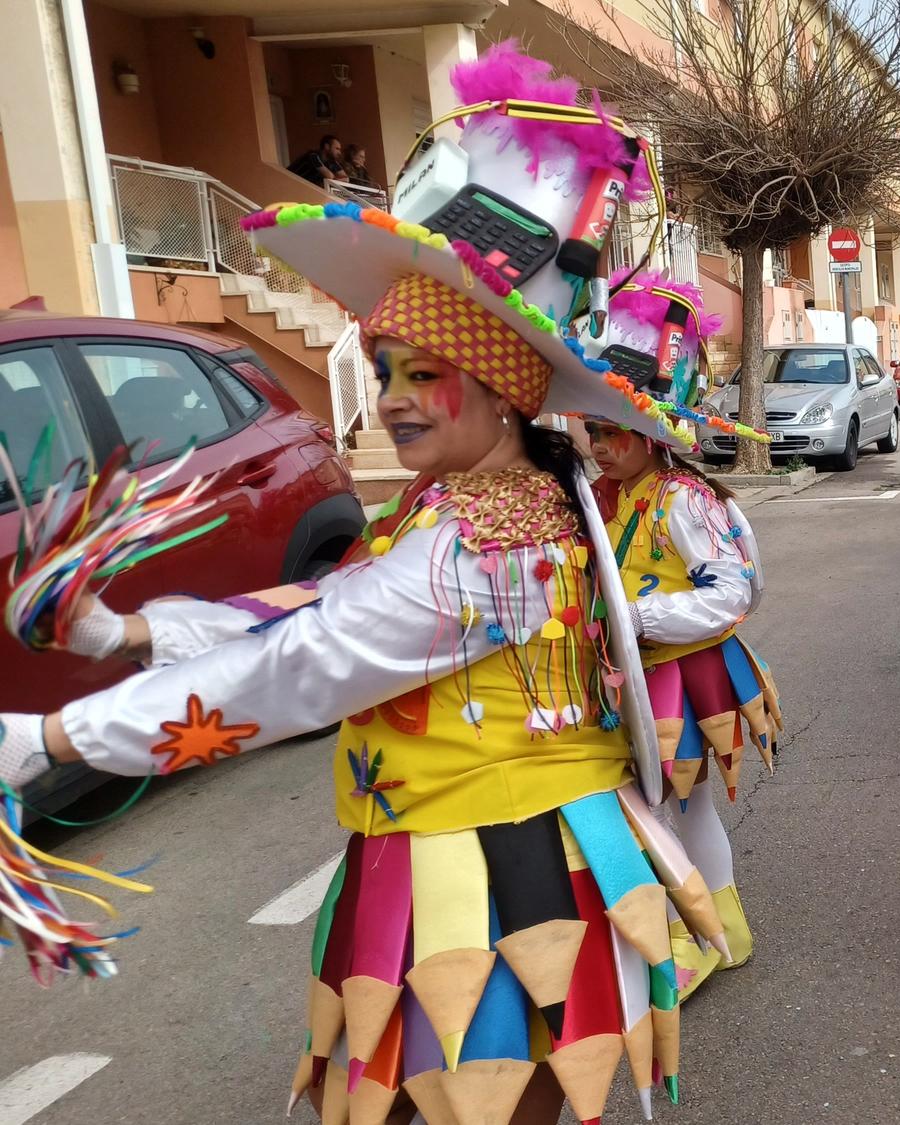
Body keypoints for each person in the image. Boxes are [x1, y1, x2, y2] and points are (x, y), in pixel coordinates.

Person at [0, 45, 725, 1125]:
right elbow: (320, 612)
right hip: (428, 850)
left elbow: (307, 667)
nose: (389, 400)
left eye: (423, 375)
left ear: (500, 392)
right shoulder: (456, 509)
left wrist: (55, 742)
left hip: (496, 865)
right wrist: (130, 637)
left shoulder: (488, 544)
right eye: (384, 372)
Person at [583, 274, 776, 999]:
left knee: (673, 807)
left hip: (683, 673)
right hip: (646, 672)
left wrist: (637, 615)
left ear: (650, 429)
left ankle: (701, 936)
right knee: (676, 807)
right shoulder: (615, 494)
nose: (599, 446)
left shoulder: (682, 499)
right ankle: (720, 929)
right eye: (592, 431)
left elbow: (733, 591)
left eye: (611, 431)